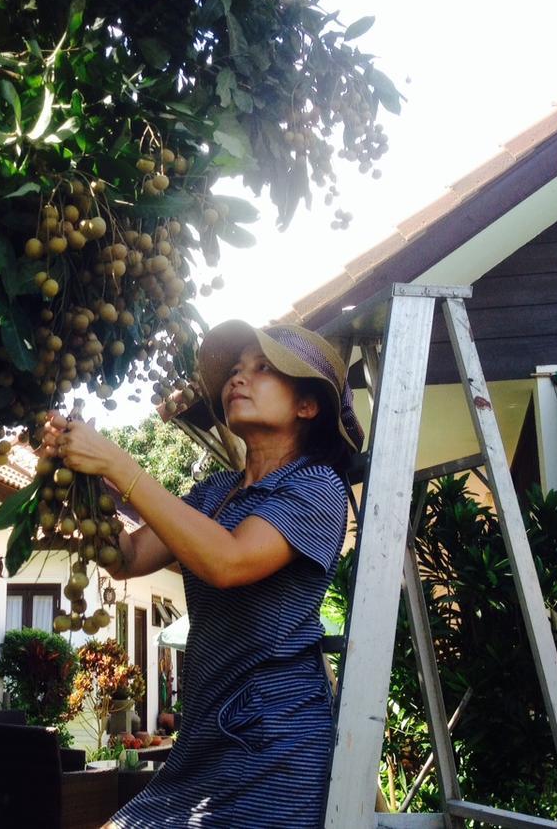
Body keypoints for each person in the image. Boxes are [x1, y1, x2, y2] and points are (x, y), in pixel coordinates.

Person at [40, 320, 365, 828]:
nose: (239, 378)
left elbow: (227, 562)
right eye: (235, 370)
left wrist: (120, 465)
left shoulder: (317, 487)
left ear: (307, 405)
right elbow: (125, 558)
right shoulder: (214, 493)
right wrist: (77, 482)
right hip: (205, 739)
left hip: (274, 744)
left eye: (262, 369)